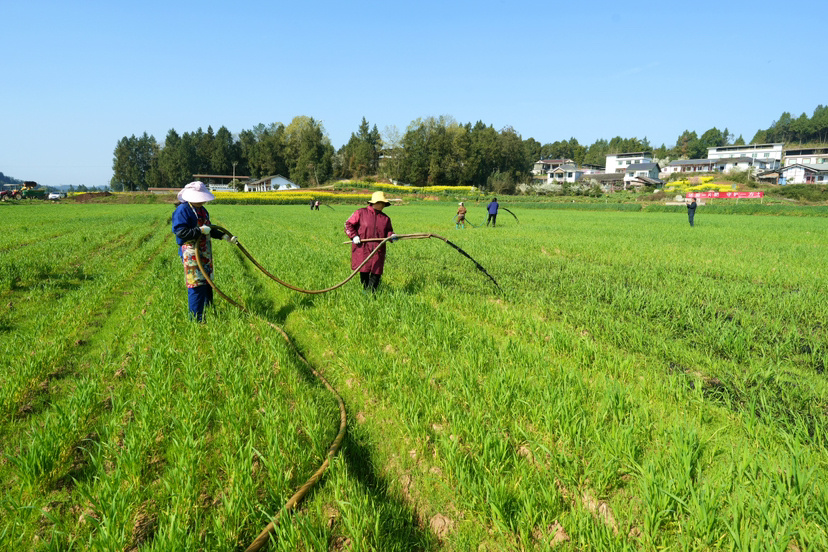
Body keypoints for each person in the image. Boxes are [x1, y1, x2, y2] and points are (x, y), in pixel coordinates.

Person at [172, 181, 237, 322]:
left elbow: (210, 229)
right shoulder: (183, 210)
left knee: (207, 283)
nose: (202, 200)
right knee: (196, 285)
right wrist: (198, 231)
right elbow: (180, 232)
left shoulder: (202, 210)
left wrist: (224, 236)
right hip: (191, 252)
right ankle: (196, 319)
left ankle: (209, 311)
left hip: (204, 251)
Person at [344, 191, 398, 292]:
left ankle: (372, 295)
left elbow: (388, 231)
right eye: (381, 203)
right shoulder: (360, 213)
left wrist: (392, 236)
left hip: (378, 249)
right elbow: (348, 224)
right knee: (364, 272)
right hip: (363, 248)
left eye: (384, 204)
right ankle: (366, 293)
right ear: (375, 203)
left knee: (376, 273)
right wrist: (354, 236)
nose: (383, 206)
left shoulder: (385, 219)